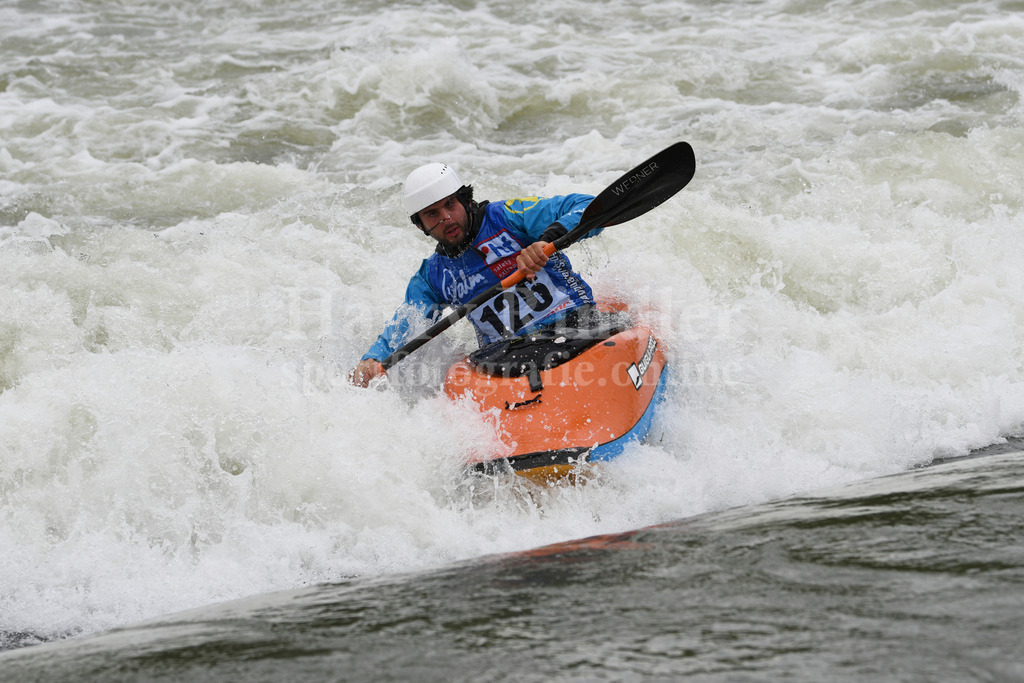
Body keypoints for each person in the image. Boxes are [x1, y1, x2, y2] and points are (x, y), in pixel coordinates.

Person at [350, 162, 606, 388]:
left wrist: (546, 241)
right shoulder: (433, 276)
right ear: (421, 225)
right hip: (508, 357)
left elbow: (587, 206)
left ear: (466, 200)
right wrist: (373, 359)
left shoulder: (510, 215)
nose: (447, 218)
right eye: (432, 214)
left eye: (450, 204)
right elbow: (406, 322)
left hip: (574, 324)